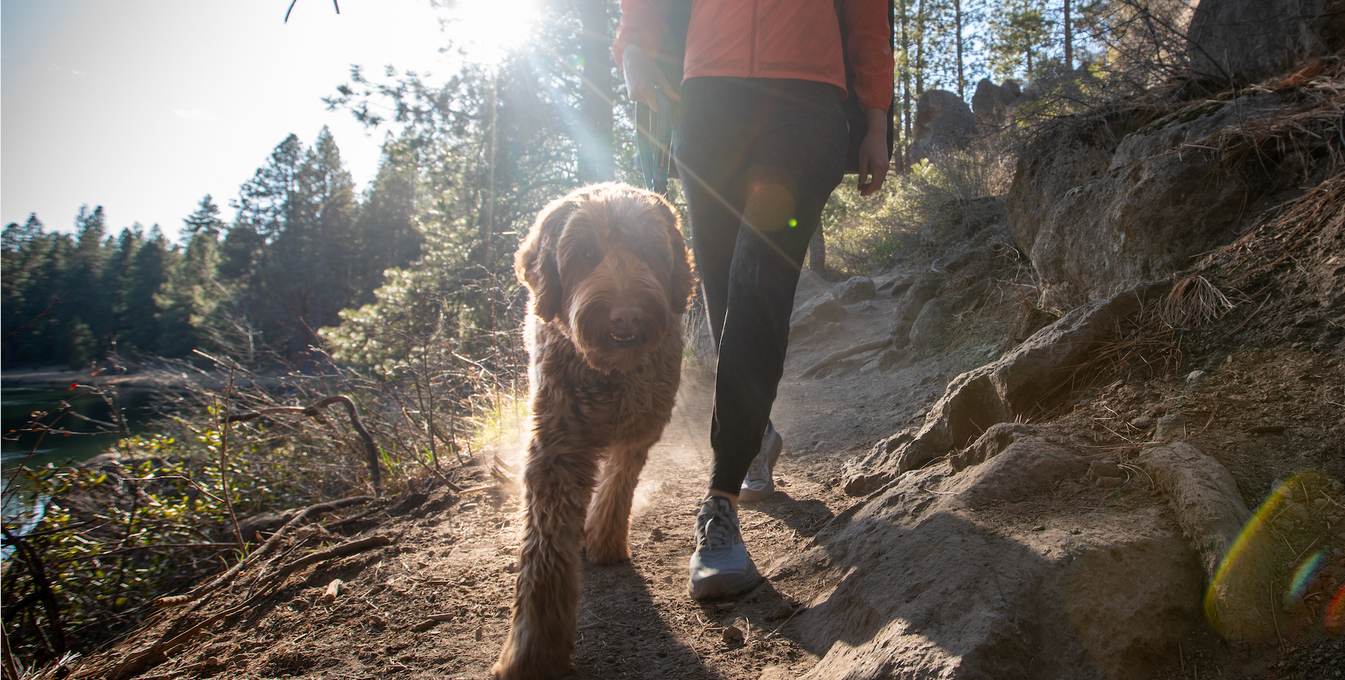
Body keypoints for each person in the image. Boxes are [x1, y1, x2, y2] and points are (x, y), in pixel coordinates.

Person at [615, 0, 892, 599]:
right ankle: (756, 433)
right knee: (724, 285)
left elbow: (870, 12)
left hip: (808, 104)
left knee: (758, 277)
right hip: (708, 100)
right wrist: (635, 46)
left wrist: (876, 119)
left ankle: (720, 502)